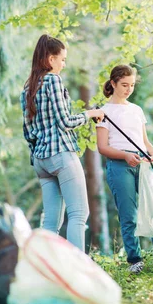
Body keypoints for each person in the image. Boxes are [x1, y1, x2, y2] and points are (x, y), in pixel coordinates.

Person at [20, 34, 104, 251]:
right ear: (50, 59)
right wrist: (90, 113)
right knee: (78, 213)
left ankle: (48, 270)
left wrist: (40, 152)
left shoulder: (27, 87)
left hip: (41, 161)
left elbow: (28, 132)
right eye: (62, 59)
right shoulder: (53, 80)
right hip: (61, 154)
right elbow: (65, 121)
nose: (64, 65)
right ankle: (79, 271)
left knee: (50, 222)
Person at [96, 64, 153, 273]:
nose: (129, 89)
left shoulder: (136, 110)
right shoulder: (103, 112)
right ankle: (135, 260)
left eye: (132, 85)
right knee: (129, 215)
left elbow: (144, 141)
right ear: (113, 83)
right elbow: (103, 147)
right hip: (120, 166)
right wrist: (126, 155)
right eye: (124, 85)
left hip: (143, 164)